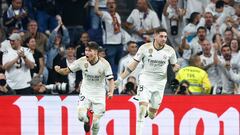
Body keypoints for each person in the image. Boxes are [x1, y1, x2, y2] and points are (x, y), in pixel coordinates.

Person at [116, 27, 180, 135]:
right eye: (161, 36)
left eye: (165, 37)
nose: (164, 39)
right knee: (141, 110)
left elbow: (174, 66)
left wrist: (176, 71)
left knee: (152, 115)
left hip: (160, 83)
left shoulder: (170, 50)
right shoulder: (144, 48)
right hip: (145, 80)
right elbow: (133, 64)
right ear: (155, 36)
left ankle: (149, 109)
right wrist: (120, 78)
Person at [54, 41, 114, 135]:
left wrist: (111, 92)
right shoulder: (82, 61)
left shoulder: (104, 64)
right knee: (81, 117)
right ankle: (87, 120)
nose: (86, 53)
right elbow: (66, 71)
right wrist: (59, 70)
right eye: (86, 50)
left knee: (96, 122)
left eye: (89, 51)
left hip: (99, 94)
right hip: (85, 92)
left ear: (96, 52)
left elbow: (110, 80)